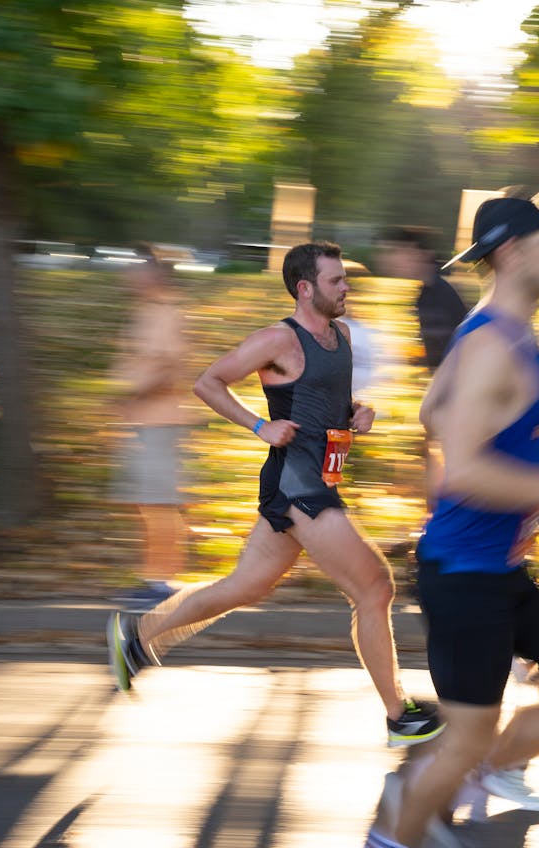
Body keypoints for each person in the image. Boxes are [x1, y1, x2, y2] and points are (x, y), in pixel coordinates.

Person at [333, 190, 539, 848]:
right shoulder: (492, 341)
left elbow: (434, 414)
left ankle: (450, 777)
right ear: (513, 252)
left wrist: (515, 476)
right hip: (463, 573)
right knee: (463, 731)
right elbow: (459, 468)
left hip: (499, 566)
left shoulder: (501, 334)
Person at [105, 242, 443, 750]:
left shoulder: (342, 336)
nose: (346, 287)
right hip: (299, 486)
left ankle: (138, 637)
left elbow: (330, 403)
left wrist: (357, 415)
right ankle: (399, 716)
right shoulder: (277, 340)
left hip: (316, 480)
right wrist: (259, 424)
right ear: (306, 289)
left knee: (243, 587)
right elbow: (208, 382)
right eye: (335, 281)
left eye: (345, 279)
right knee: (375, 588)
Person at [109, 246, 193, 605]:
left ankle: (161, 582)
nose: (128, 275)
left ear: (154, 274)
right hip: (145, 420)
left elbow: (169, 366)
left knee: (159, 503)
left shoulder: (166, 312)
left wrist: (132, 396)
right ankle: (154, 576)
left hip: (160, 420)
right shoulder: (145, 311)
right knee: (148, 502)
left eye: (135, 269)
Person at [376, 225, 470, 371]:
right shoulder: (420, 293)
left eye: (399, 252)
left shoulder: (441, 299)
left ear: (421, 255)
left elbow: (442, 355)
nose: (392, 260)